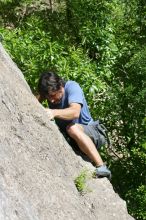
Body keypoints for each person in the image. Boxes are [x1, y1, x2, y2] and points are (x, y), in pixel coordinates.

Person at [37, 71, 111, 179]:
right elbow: (35, 99)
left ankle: (102, 166)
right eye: (48, 97)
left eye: (53, 95)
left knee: (72, 128)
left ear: (60, 86)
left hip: (93, 133)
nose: (51, 100)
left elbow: (75, 112)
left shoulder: (72, 87)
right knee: (68, 131)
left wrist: (53, 112)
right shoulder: (49, 93)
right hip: (74, 138)